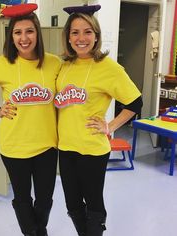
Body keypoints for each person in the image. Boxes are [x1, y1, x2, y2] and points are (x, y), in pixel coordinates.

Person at [0, 4, 61, 236]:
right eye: (17, 32)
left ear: (37, 33)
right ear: (11, 36)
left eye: (29, 31)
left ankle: (37, 231)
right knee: (22, 198)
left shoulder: (54, 63)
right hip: (13, 146)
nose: (24, 38)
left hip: (47, 145)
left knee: (44, 199)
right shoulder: (0, 63)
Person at [54, 4, 143, 236]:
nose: (81, 38)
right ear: (68, 37)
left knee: (93, 204)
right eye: (75, 32)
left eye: (87, 32)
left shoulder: (108, 68)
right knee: (72, 205)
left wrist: (110, 126)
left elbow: (135, 103)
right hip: (66, 147)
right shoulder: (64, 66)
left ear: (96, 36)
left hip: (92, 149)